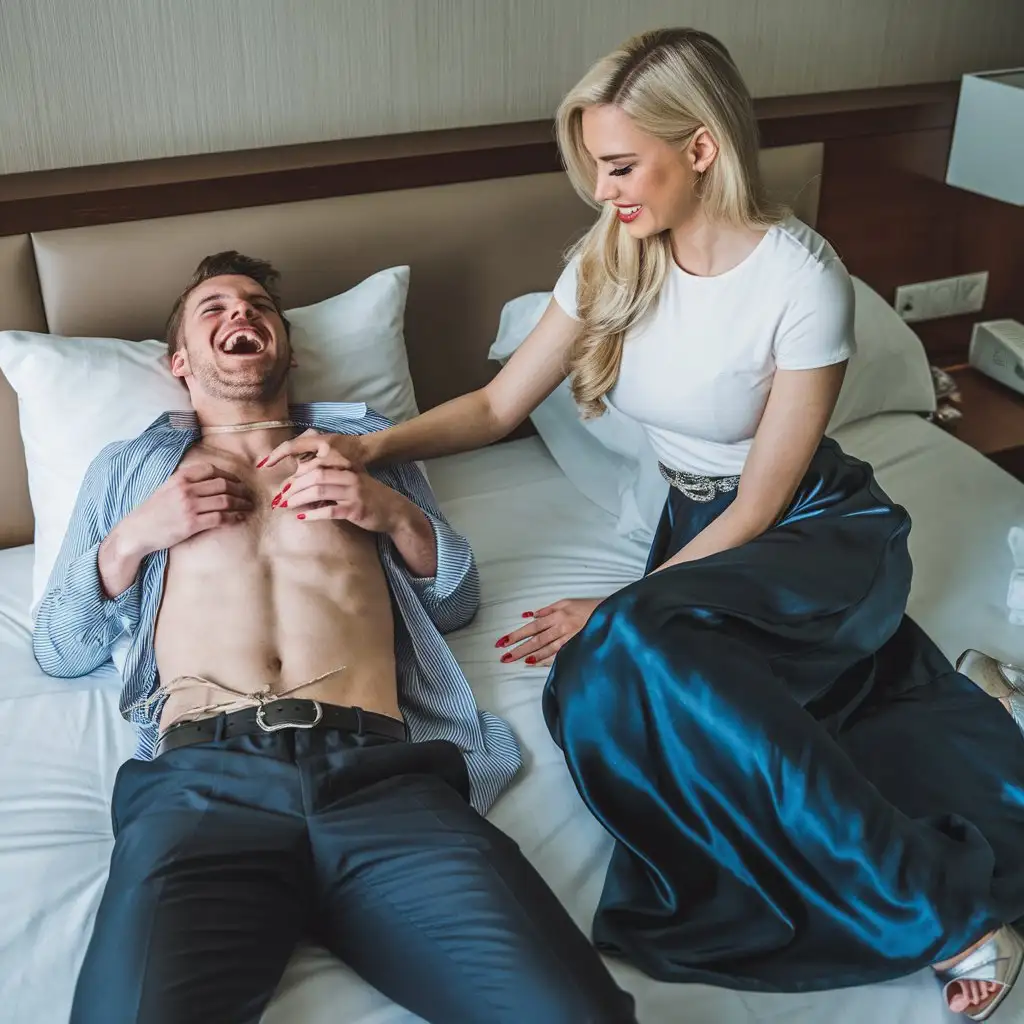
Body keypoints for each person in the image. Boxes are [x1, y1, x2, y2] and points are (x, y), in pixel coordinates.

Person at [263, 27, 1024, 1022]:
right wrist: (370, 446)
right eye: (593, 167)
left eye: (619, 164)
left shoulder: (799, 277)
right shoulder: (614, 253)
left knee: (633, 644)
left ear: (699, 147)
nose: (602, 190)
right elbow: (498, 407)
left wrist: (620, 603)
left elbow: (757, 503)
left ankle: (947, 914)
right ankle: (971, 714)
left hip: (809, 531)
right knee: (588, 689)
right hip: (694, 529)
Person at [33, 251, 638, 1024]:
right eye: (212, 309)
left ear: (285, 344)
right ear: (179, 361)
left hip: (384, 778)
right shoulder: (132, 468)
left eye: (257, 306)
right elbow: (58, 647)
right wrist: (134, 540)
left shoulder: (364, 443)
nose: (240, 316)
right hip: (205, 783)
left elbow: (455, 602)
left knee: (573, 1013)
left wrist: (391, 513)